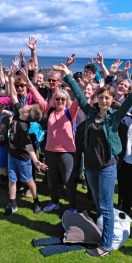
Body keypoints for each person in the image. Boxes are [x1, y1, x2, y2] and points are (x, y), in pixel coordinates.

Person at [57, 62, 132, 257]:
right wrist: (68, 75)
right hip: (91, 167)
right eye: (101, 97)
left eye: (107, 98)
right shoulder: (91, 113)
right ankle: (103, 231)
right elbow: (78, 94)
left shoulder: (115, 116)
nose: (103, 100)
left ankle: (106, 246)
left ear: (111, 100)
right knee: (98, 201)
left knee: (106, 206)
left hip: (107, 167)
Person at [25, 69, 80, 213]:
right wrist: (28, 81)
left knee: (68, 181)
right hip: (50, 151)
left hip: (66, 153)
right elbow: (37, 97)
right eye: (57, 99)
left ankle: (73, 206)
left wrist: (77, 82)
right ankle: (54, 202)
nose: (60, 101)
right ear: (54, 100)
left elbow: (79, 98)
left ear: (66, 101)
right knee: (51, 180)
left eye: (63, 99)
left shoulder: (70, 112)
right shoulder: (49, 111)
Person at [4, 67, 47, 216]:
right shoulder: (19, 113)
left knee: (28, 180)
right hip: (11, 153)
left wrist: (35, 161)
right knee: (12, 178)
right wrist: (10, 78)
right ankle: (13, 203)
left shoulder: (23, 126)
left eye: (27, 106)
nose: (24, 105)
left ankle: (36, 201)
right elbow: (14, 96)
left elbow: (29, 146)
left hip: (22, 158)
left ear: (27, 113)